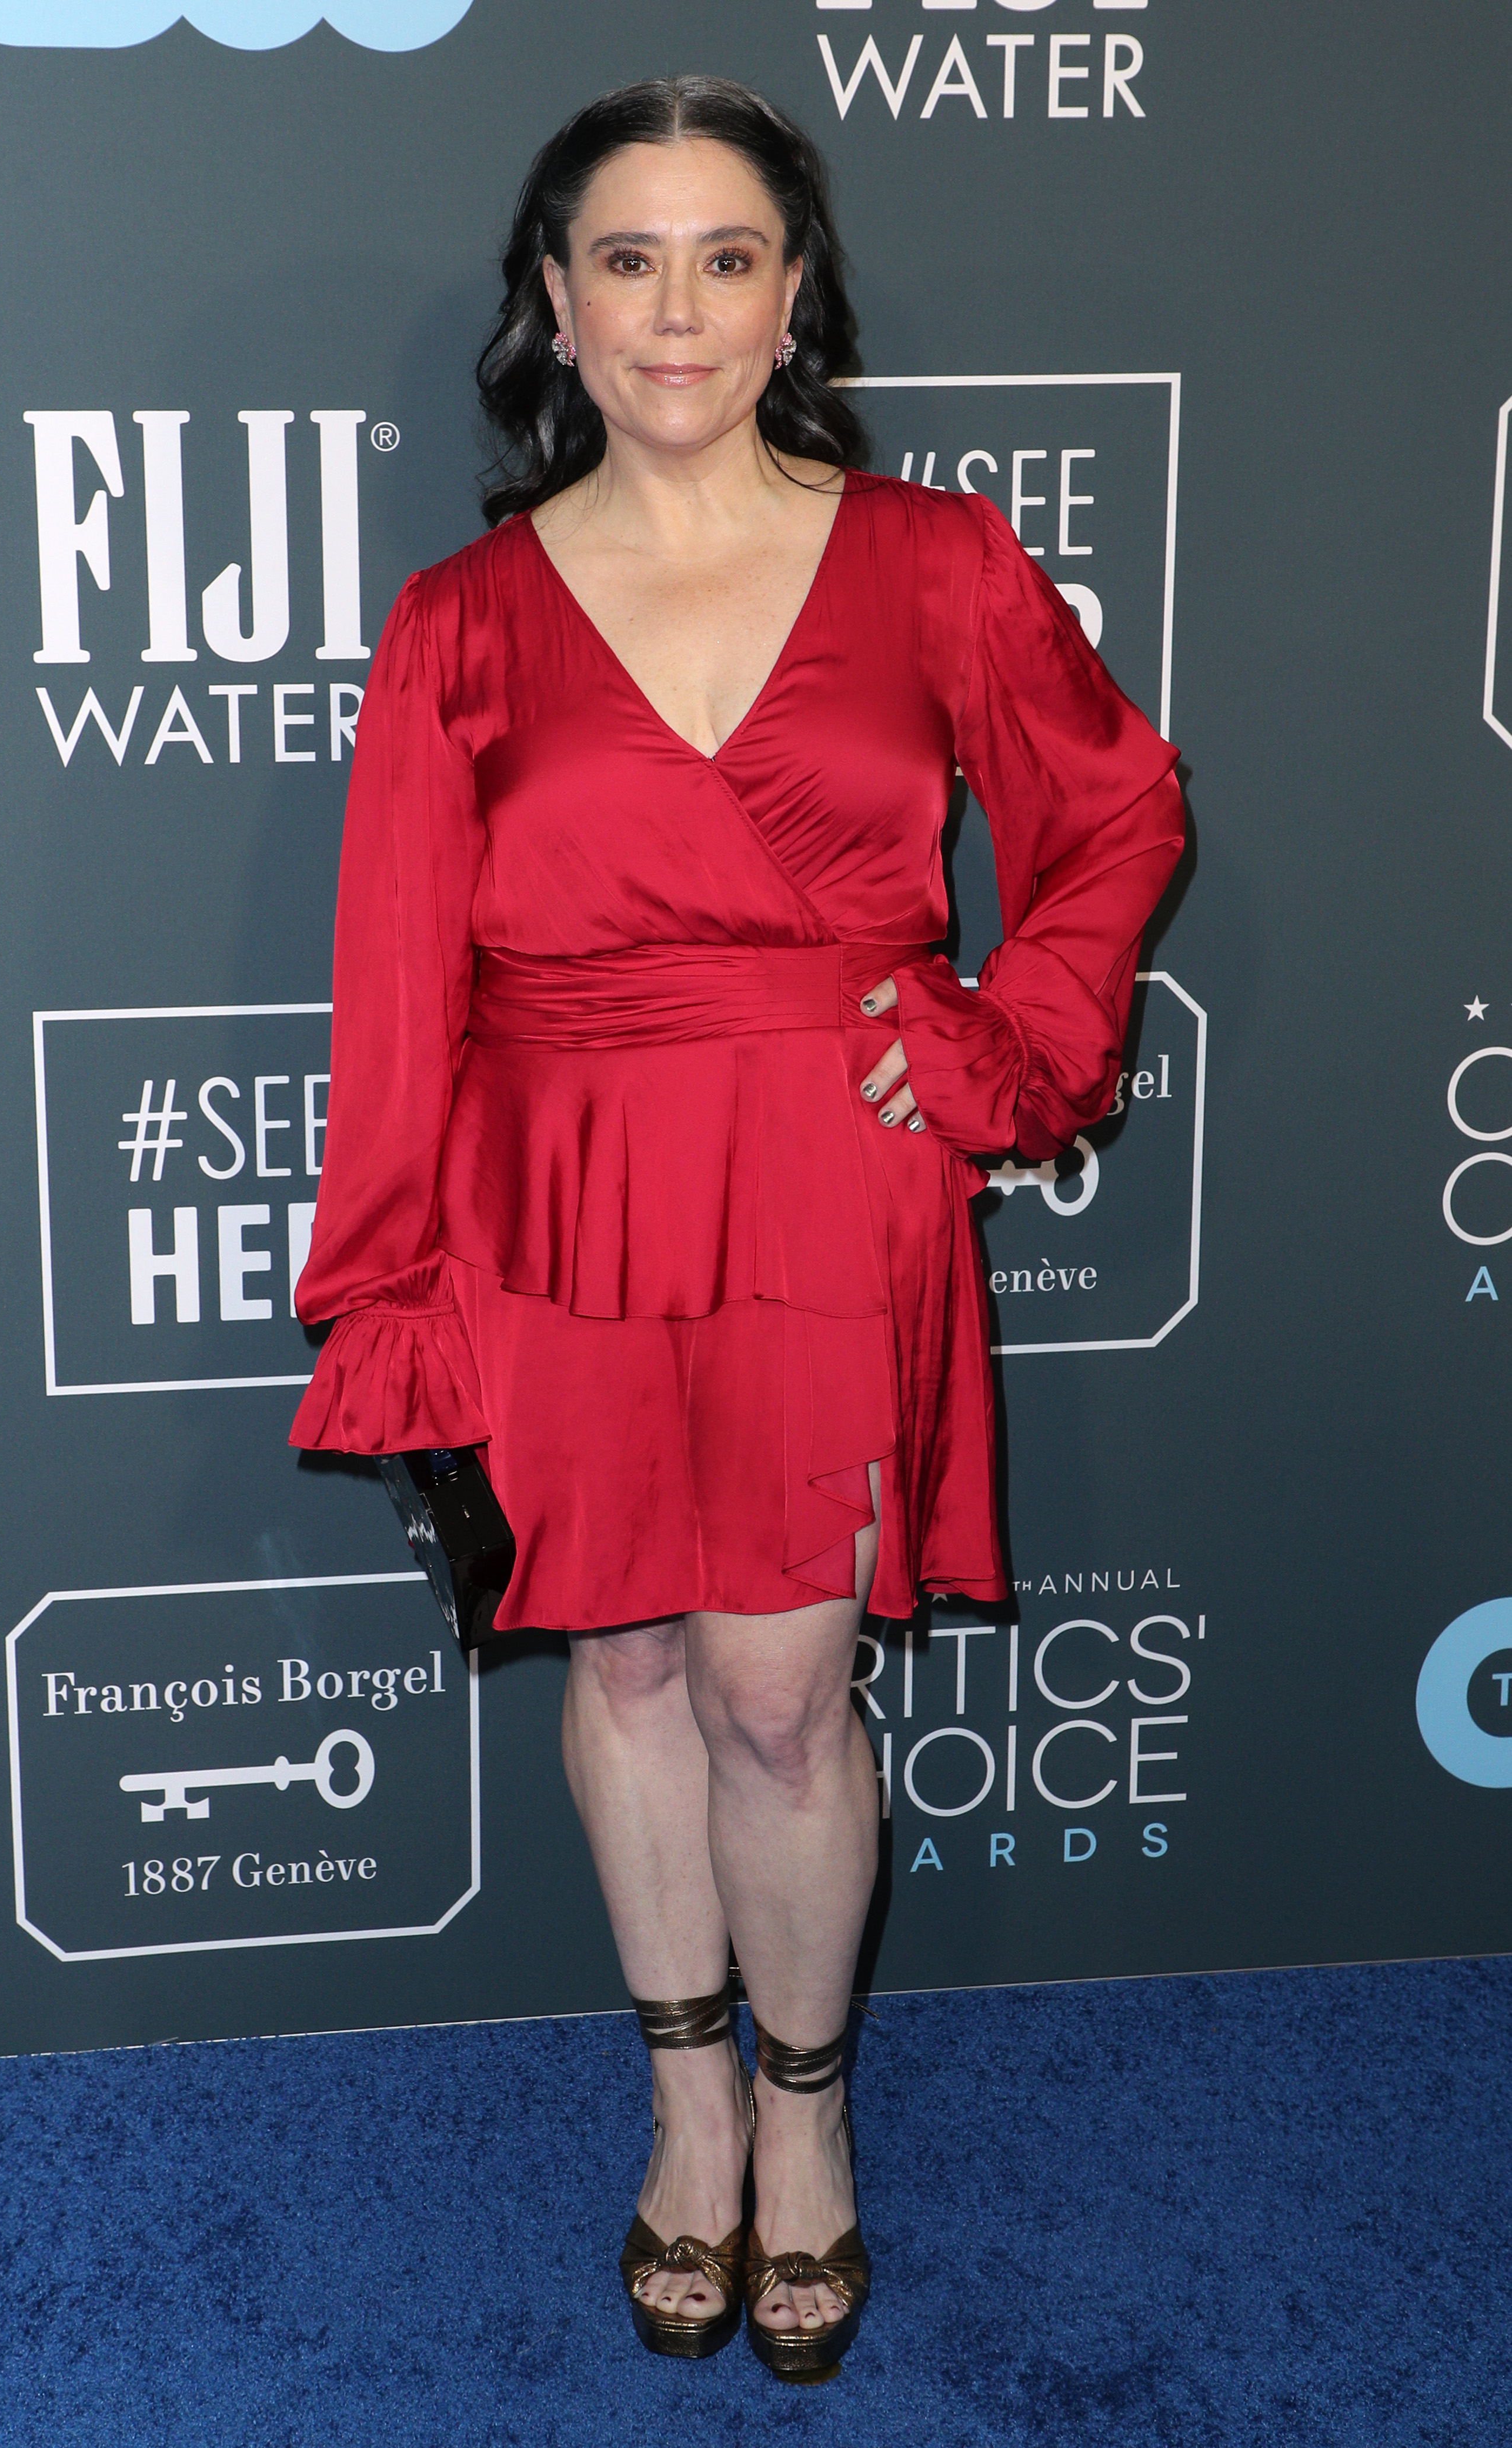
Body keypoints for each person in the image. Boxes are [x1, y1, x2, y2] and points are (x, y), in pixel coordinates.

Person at [289, 75, 1184, 2382]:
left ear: (794, 300)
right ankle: (687, 2114)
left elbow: (1115, 810)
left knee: (784, 1690)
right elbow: (396, 993)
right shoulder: (463, 620)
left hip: (824, 1171)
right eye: (622, 257)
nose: (672, 306)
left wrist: (1004, 1044)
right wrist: (393, 1286)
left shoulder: (942, 565)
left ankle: (810, 2117)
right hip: (548, 1190)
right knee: (626, 1667)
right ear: (556, 311)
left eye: (722, 255)